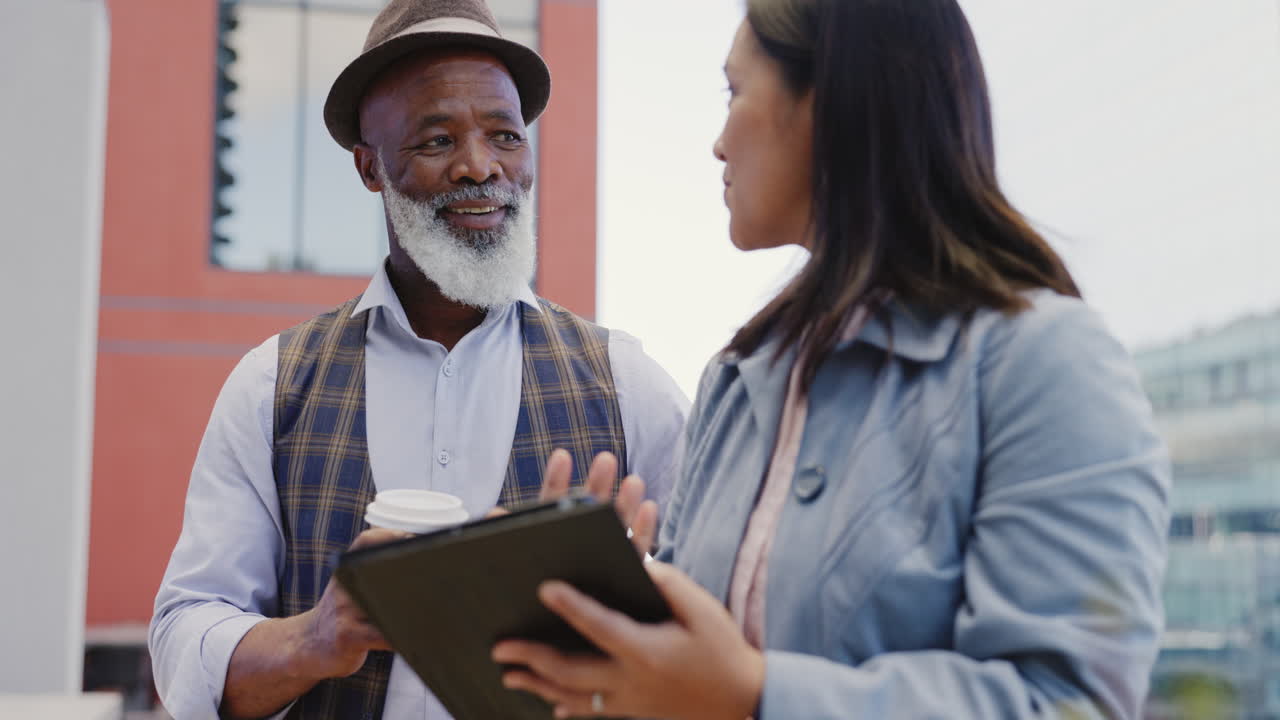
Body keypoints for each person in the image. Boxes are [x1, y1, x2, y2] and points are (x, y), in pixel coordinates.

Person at [491, 1, 1172, 718]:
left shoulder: (1046, 362)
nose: (718, 145)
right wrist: (612, 615)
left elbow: (1072, 703)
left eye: (734, 92)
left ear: (830, 101)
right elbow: (695, 672)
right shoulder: (737, 378)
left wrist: (754, 693)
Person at [147, 1, 687, 718]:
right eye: (437, 140)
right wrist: (312, 640)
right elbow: (183, 637)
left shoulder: (625, 382)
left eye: (505, 135)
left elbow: (722, 620)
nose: (480, 166)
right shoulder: (272, 386)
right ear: (370, 167)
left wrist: (622, 629)